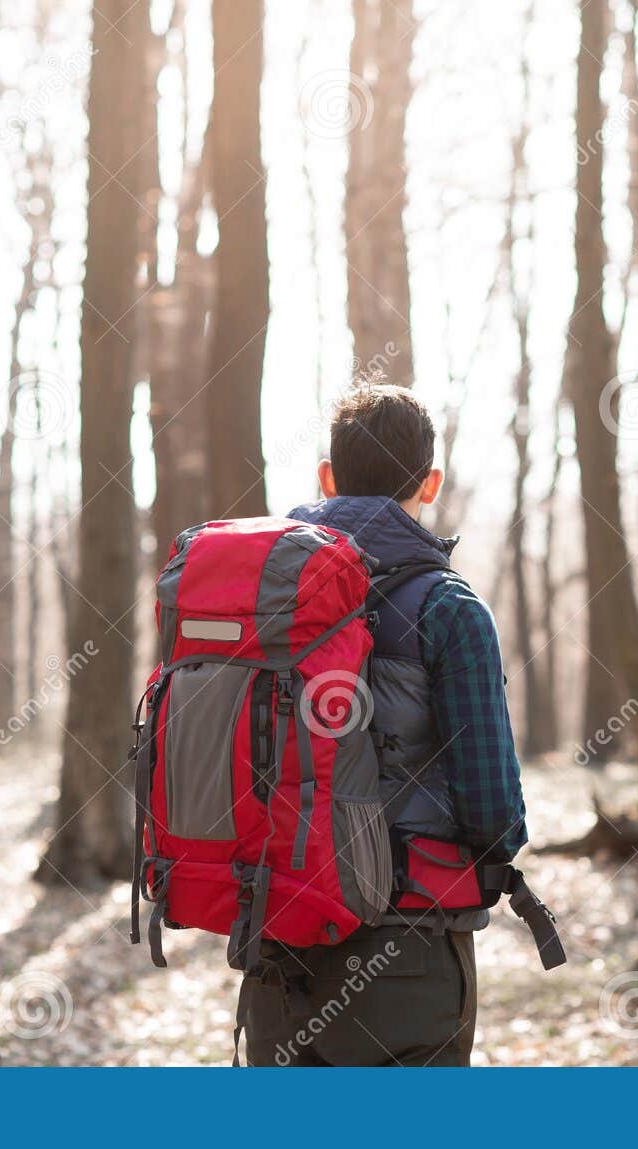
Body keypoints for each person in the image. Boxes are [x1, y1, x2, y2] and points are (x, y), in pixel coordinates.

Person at [235, 384, 530, 1066]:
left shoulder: (266, 600)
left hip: (279, 947)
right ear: (430, 483)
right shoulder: (450, 608)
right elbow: (492, 812)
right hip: (409, 952)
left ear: (327, 480)